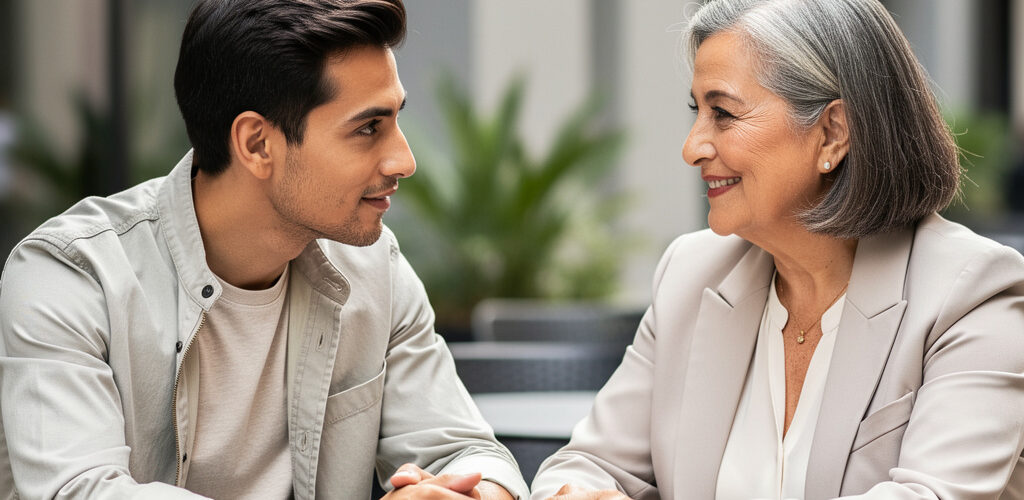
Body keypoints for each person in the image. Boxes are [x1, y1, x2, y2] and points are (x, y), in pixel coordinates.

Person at [0, 1, 528, 498]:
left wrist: (470, 491)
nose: (404, 161)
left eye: (395, 120)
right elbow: (81, 490)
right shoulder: (70, 276)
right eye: (368, 128)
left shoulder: (374, 268)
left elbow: (463, 449)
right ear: (256, 144)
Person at [531, 0, 1024, 499]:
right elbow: (586, 464)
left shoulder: (972, 296)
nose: (692, 147)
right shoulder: (691, 273)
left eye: (722, 113)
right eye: (696, 111)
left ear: (832, 133)